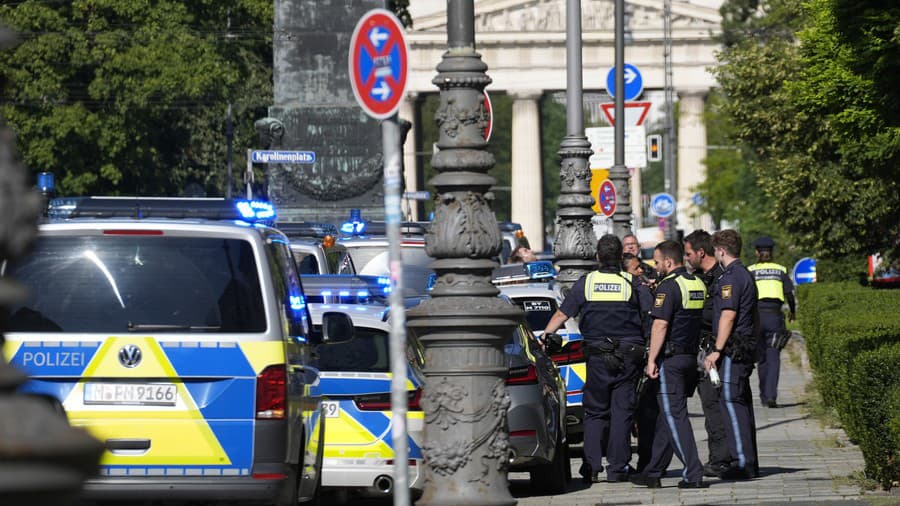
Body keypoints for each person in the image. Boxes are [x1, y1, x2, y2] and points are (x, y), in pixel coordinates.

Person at [542, 234, 652, 483]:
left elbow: (562, 313)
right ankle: (617, 468)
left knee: (594, 412)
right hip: (628, 357)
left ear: (598, 257)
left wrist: (546, 335)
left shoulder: (587, 283)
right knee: (622, 411)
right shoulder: (632, 283)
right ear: (621, 258)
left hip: (598, 357)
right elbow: (649, 315)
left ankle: (591, 467)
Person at [630, 240, 708, 489]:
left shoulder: (668, 287)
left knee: (675, 416)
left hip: (671, 360)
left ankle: (693, 473)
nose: (654, 265)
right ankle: (653, 470)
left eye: (656, 261)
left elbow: (661, 325)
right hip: (689, 359)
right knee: (667, 414)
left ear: (668, 262)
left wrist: (651, 359)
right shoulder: (697, 283)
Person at [703, 229, 760, 480]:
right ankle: (749, 461)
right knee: (741, 403)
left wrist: (716, 350)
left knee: (731, 402)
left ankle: (741, 462)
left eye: (716, 250)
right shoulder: (745, 273)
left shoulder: (730, 278)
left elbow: (728, 315)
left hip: (733, 349)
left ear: (721, 250)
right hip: (744, 346)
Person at [684, 229, 734, 478]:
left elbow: (716, 316)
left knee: (713, 406)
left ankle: (721, 458)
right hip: (701, 349)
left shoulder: (719, 278)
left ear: (701, 253)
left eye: (689, 253)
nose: (687, 258)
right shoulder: (701, 277)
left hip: (712, 351)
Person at [748, 236, 796, 408]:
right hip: (775, 317)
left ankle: (762, 395)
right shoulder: (780, 270)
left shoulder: (750, 270)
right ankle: (771, 396)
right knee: (774, 356)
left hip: (757, 318)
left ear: (756, 252)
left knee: (761, 358)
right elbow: (790, 294)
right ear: (772, 252)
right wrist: (792, 312)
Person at [624, 252, 657, 472]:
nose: (640, 272)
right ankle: (645, 461)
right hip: (640, 354)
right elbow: (651, 320)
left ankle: (623, 462)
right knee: (644, 411)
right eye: (636, 269)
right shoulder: (640, 290)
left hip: (623, 355)